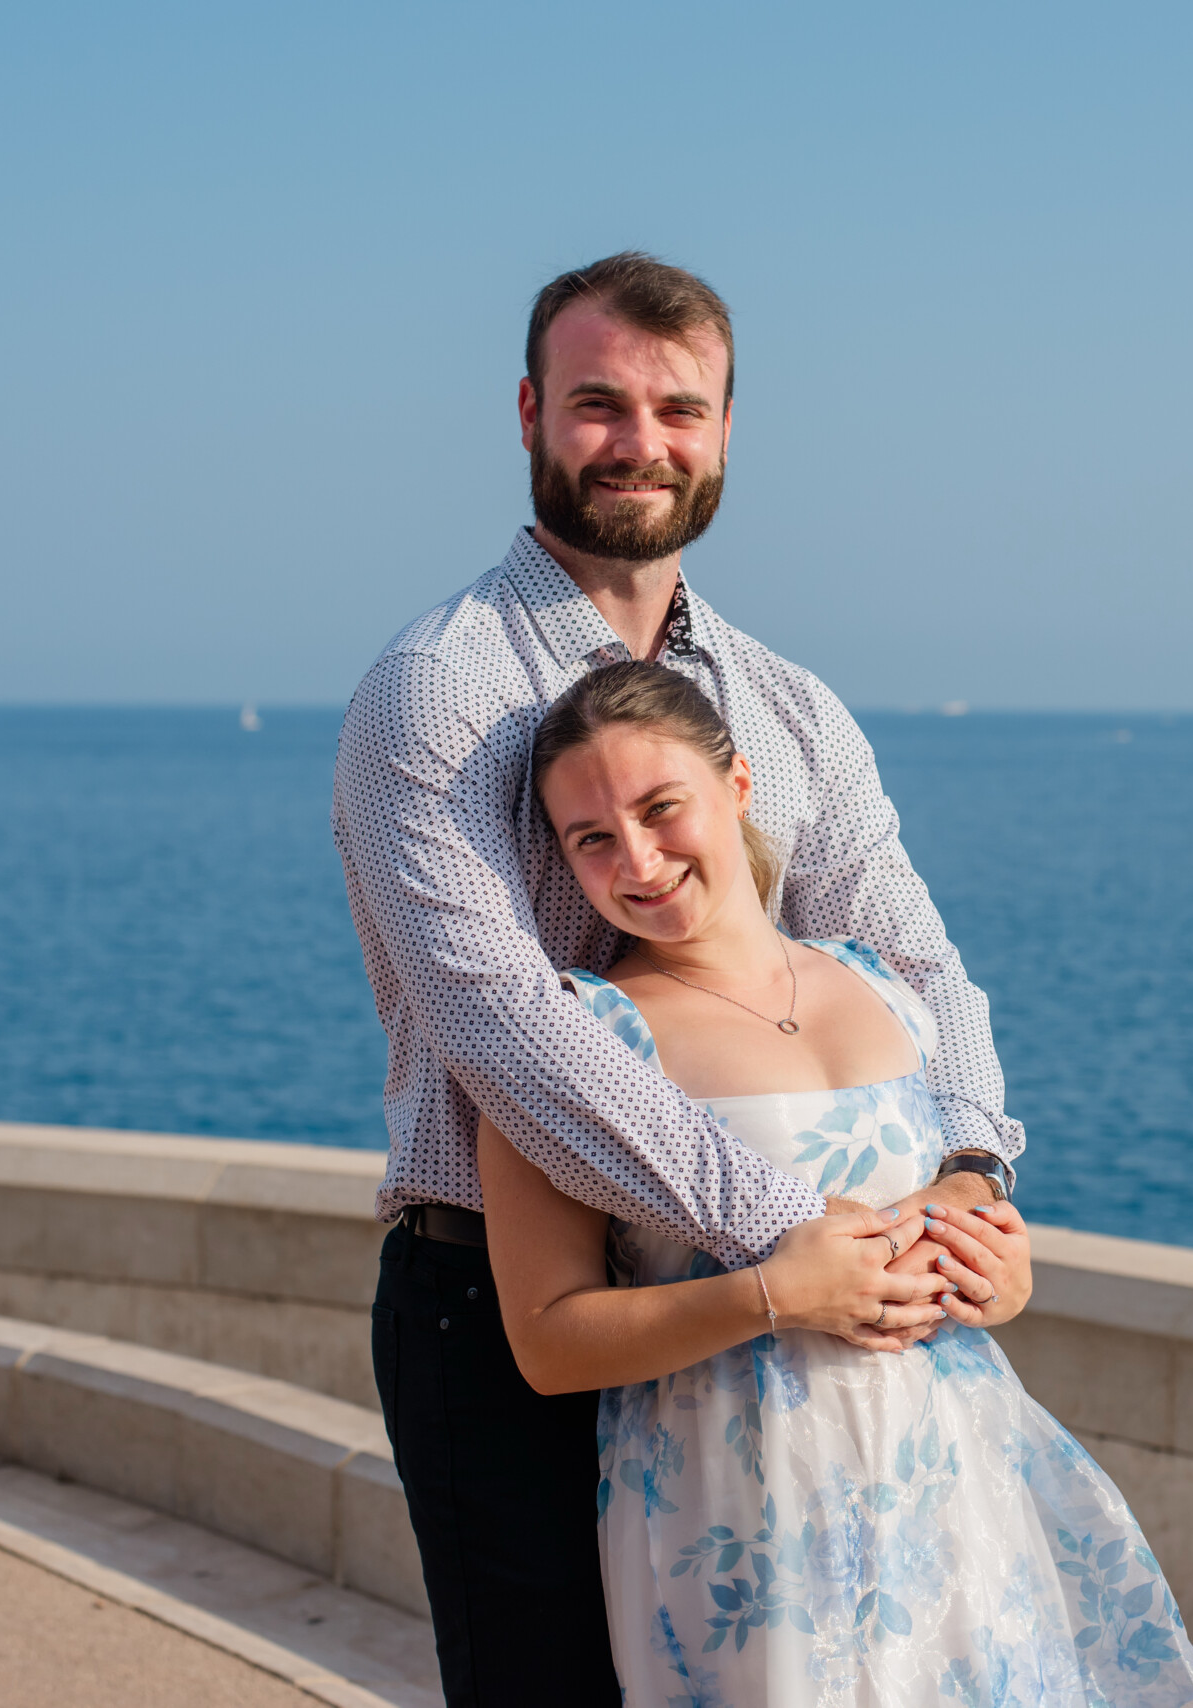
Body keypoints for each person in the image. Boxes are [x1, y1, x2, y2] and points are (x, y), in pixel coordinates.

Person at [333, 253, 1030, 1705]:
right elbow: (509, 1034)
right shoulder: (438, 692)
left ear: (723, 431)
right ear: (530, 412)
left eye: (678, 408)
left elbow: (911, 956)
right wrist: (788, 1240)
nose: (640, 442)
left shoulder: (787, 707)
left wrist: (969, 1177)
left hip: (794, 1322)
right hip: (514, 1313)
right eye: (599, 404)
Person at [478, 660, 1193, 1705]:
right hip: (740, 1507)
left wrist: (1000, 1281)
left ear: (737, 787)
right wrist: (768, 1296)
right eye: (591, 838)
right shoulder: (575, 1039)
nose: (637, 861)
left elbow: (963, 1239)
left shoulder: (882, 985)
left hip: (953, 1477)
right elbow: (550, 1341)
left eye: (661, 809)